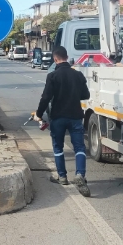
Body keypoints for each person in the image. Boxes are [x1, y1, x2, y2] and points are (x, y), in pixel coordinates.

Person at [34, 46, 91, 197]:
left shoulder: (52, 76)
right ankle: (80, 174)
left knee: (58, 147)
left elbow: (45, 98)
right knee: (79, 147)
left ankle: (62, 176)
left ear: (55, 59)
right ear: (67, 57)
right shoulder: (78, 75)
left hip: (58, 117)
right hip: (75, 117)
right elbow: (86, 95)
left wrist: (39, 114)